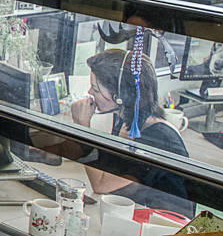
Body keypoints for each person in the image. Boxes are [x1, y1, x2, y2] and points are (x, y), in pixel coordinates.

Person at [69, 48, 194, 214]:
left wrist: (82, 125)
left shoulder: (158, 138)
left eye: (96, 89)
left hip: (165, 225)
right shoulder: (123, 122)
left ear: (122, 96)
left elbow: (102, 185)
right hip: (132, 215)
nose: (90, 93)